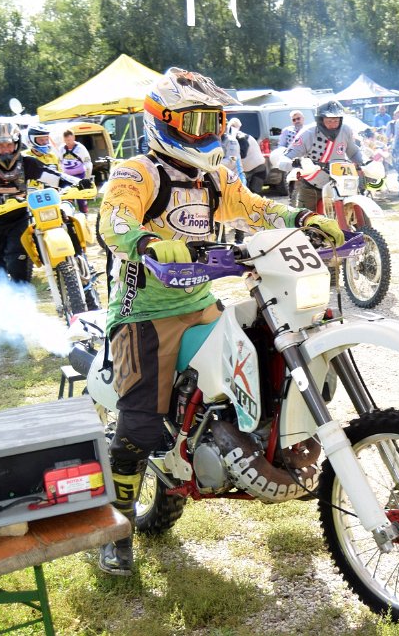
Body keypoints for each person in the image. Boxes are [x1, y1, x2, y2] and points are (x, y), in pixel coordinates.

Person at [96, 67, 343, 576]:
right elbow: (114, 220)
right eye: (196, 122)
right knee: (139, 424)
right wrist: (144, 242)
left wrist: (300, 219)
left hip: (202, 301)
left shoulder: (216, 176)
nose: (207, 132)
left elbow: (254, 208)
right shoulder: (137, 173)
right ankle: (116, 529)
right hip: (145, 312)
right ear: (164, 122)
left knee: (264, 353)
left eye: (214, 121)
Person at [0, 120, 91, 283]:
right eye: (1, 145)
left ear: (17, 144)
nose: (6, 150)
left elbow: (55, 177)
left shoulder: (26, 162)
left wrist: (78, 182)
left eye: (10, 145)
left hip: (20, 219)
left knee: (18, 264)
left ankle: (22, 293)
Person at [278, 100, 364, 211]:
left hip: (341, 183)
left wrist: (363, 162)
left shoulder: (346, 130)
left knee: (359, 208)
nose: (333, 124)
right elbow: (286, 157)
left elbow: (354, 152)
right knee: (304, 218)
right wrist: (295, 163)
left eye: (336, 120)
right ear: (320, 120)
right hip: (311, 185)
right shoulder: (308, 133)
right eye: (329, 121)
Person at [229, 117, 267, 195]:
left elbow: (242, 154)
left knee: (252, 195)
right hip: (254, 169)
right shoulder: (241, 137)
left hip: (257, 170)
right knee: (248, 195)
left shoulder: (241, 138)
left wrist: (230, 158)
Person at [58, 130, 93, 213]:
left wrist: (87, 178)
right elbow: (59, 162)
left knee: (80, 197)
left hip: (79, 175)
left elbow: (87, 162)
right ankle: (68, 214)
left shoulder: (80, 148)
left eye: (69, 140)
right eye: (66, 140)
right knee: (66, 196)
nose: (68, 142)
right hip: (67, 177)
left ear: (73, 138)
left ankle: (84, 213)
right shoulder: (61, 149)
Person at [22, 124, 60, 189]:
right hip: (31, 193)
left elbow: (60, 176)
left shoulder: (52, 156)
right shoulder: (24, 157)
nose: (45, 142)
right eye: (41, 140)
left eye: (46, 139)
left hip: (52, 193)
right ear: (30, 140)